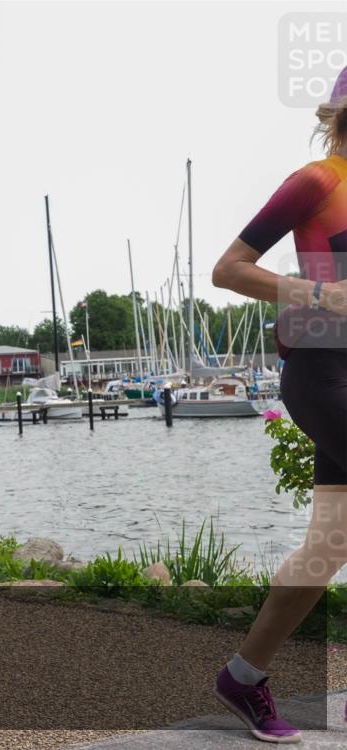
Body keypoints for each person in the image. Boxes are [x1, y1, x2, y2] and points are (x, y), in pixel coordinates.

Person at [211, 65, 347, 743]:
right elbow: (229, 268)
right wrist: (320, 295)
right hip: (325, 376)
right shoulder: (318, 181)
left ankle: (243, 676)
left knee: (326, 549)